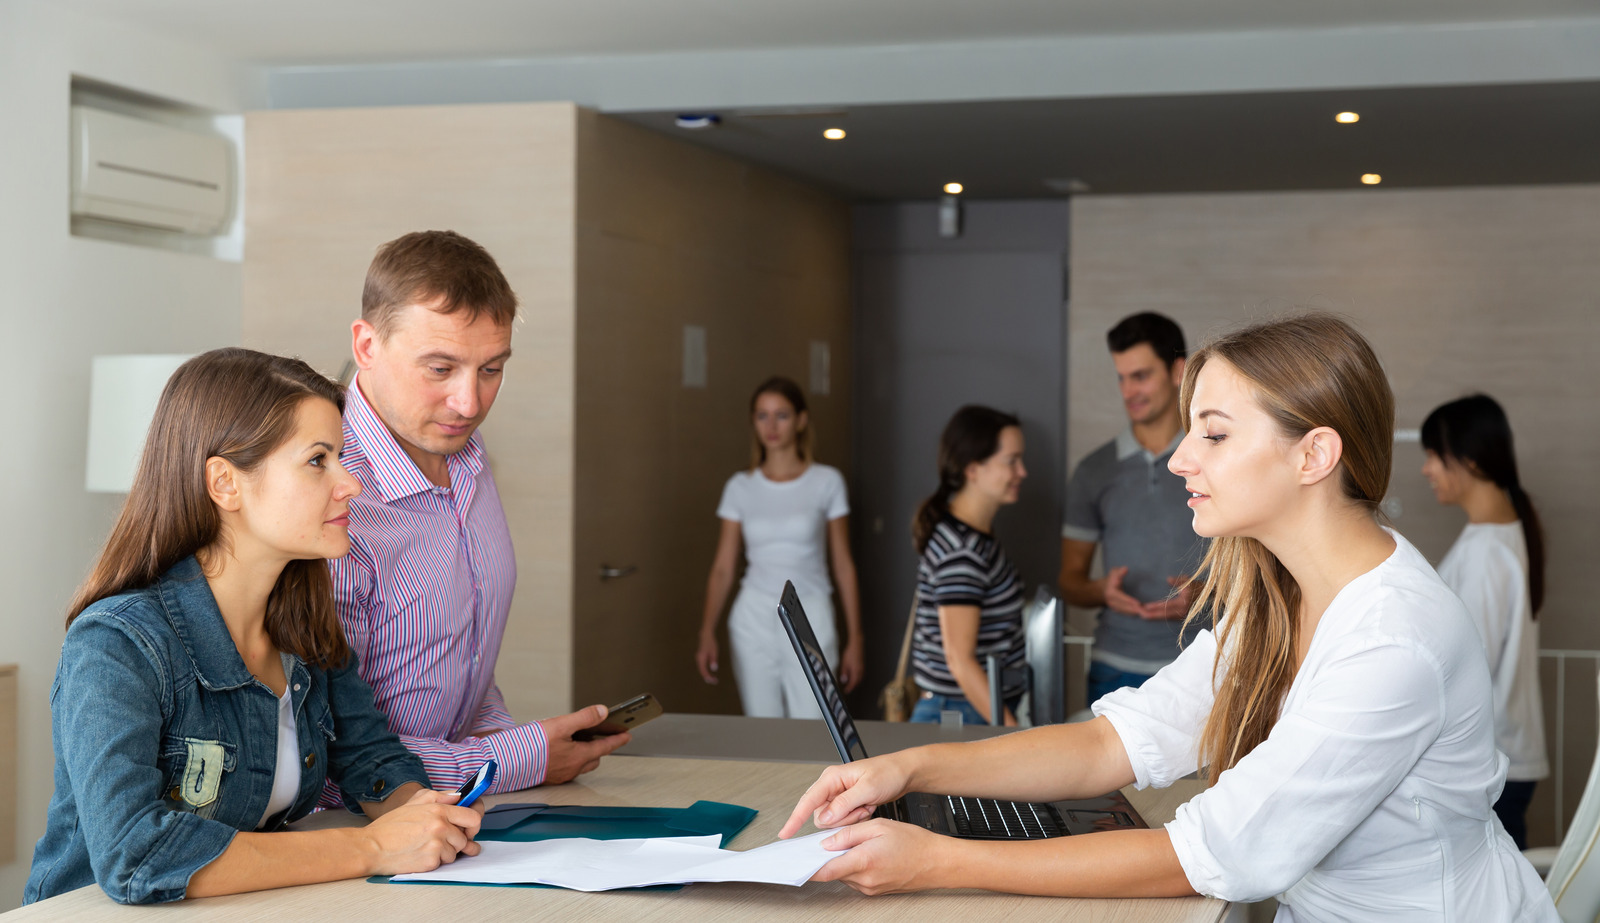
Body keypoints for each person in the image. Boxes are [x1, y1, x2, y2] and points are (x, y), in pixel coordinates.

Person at [779, 315, 1556, 921]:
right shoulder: (1274, 600)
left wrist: (936, 860)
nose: (1182, 458)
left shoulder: (1393, 641)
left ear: (1314, 455)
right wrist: (907, 766)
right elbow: (1111, 742)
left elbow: (1208, 855)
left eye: (1214, 433)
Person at [26, 349, 483, 905]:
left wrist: (425, 817)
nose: (350, 485)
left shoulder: (304, 621)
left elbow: (371, 758)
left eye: (341, 456)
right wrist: (373, 849)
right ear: (225, 484)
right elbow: (136, 854)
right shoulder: (117, 644)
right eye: (319, 461)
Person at [330, 230, 628, 796]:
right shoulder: (328, 491)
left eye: (491, 369)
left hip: (468, 805)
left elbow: (461, 650)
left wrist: (505, 748)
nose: (470, 404)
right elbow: (329, 754)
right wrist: (520, 759)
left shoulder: (464, 452)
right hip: (364, 828)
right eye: (440, 370)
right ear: (366, 346)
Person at [1060, 312, 1208, 703]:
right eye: (1121, 378)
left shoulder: (1217, 460)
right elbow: (1069, 581)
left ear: (1178, 371)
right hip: (1114, 669)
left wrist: (1208, 592)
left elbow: (1262, 564)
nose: (1128, 391)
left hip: (1204, 663)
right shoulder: (1093, 471)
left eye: (1140, 376)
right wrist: (1101, 591)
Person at [1422, 394, 1548, 850]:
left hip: (1494, 762)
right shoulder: (1505, 534)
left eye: (1435, 455)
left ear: (1470, 459)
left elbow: (1464, 666)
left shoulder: (1486, 552)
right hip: (1507, 756)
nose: (1426, 469)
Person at [696, 376, 863, 717]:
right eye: (762, 416)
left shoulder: (827, 482)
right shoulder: (740, 487)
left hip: (810, 610)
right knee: (762, 724)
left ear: (801, 420)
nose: (771, 426)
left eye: (782, 415)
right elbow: (723, 567)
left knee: (816, 721)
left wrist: (856, 637)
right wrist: (706, 631)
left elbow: (843, 564)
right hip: (753, 615)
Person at [905, 405, 1028, 726]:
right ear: (973, 469)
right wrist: (1015, 734)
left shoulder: (972, 536)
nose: (1022, 472)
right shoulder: (962, 552)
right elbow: (959, 661)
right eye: (1011, 461)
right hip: (961, 712)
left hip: (967, 708)